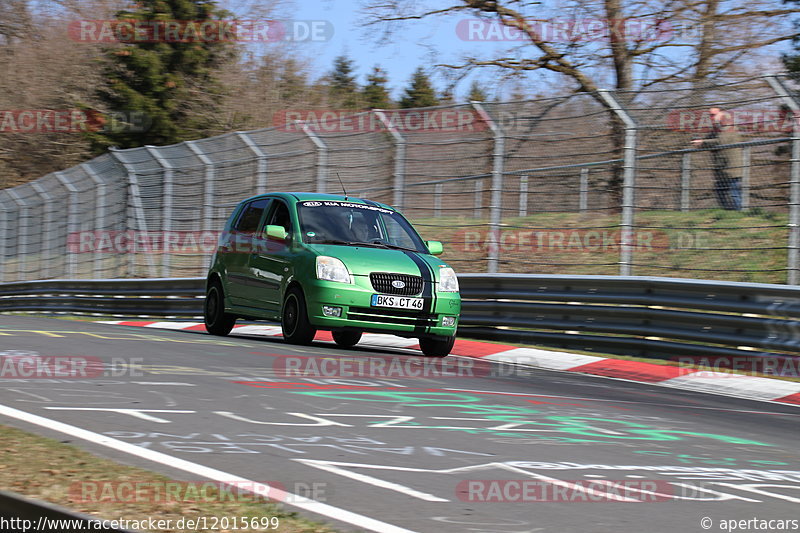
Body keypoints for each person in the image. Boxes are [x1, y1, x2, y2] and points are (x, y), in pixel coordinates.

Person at [691, 107, 743, 210]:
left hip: (731, 168)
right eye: (710, 115)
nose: (711, 117)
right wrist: (699, 142)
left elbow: (721, 141)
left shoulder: (728, 126)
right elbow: (708, 141)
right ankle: (726, 213)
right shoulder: (716, 129)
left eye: (714, 115)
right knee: (720, 192)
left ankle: (738, 215)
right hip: (721, 169)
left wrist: (703, 142)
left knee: (734, 194)